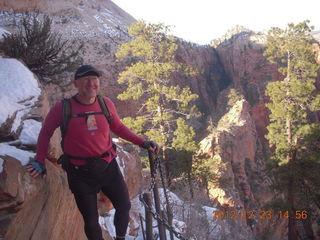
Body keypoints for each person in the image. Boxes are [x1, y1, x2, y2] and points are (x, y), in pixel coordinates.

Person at [26, 65, 159, 240]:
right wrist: (39, 161)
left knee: (124, 205)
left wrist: (142, 142)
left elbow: (118, 128)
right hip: (79, 173)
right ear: (76, 84)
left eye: (95, 80)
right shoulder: (63, 108)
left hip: (107, 167)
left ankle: (119, 237)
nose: (91, 84)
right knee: (90, 220)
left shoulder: (106, 104)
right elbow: (45, 132)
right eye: (86, 80)